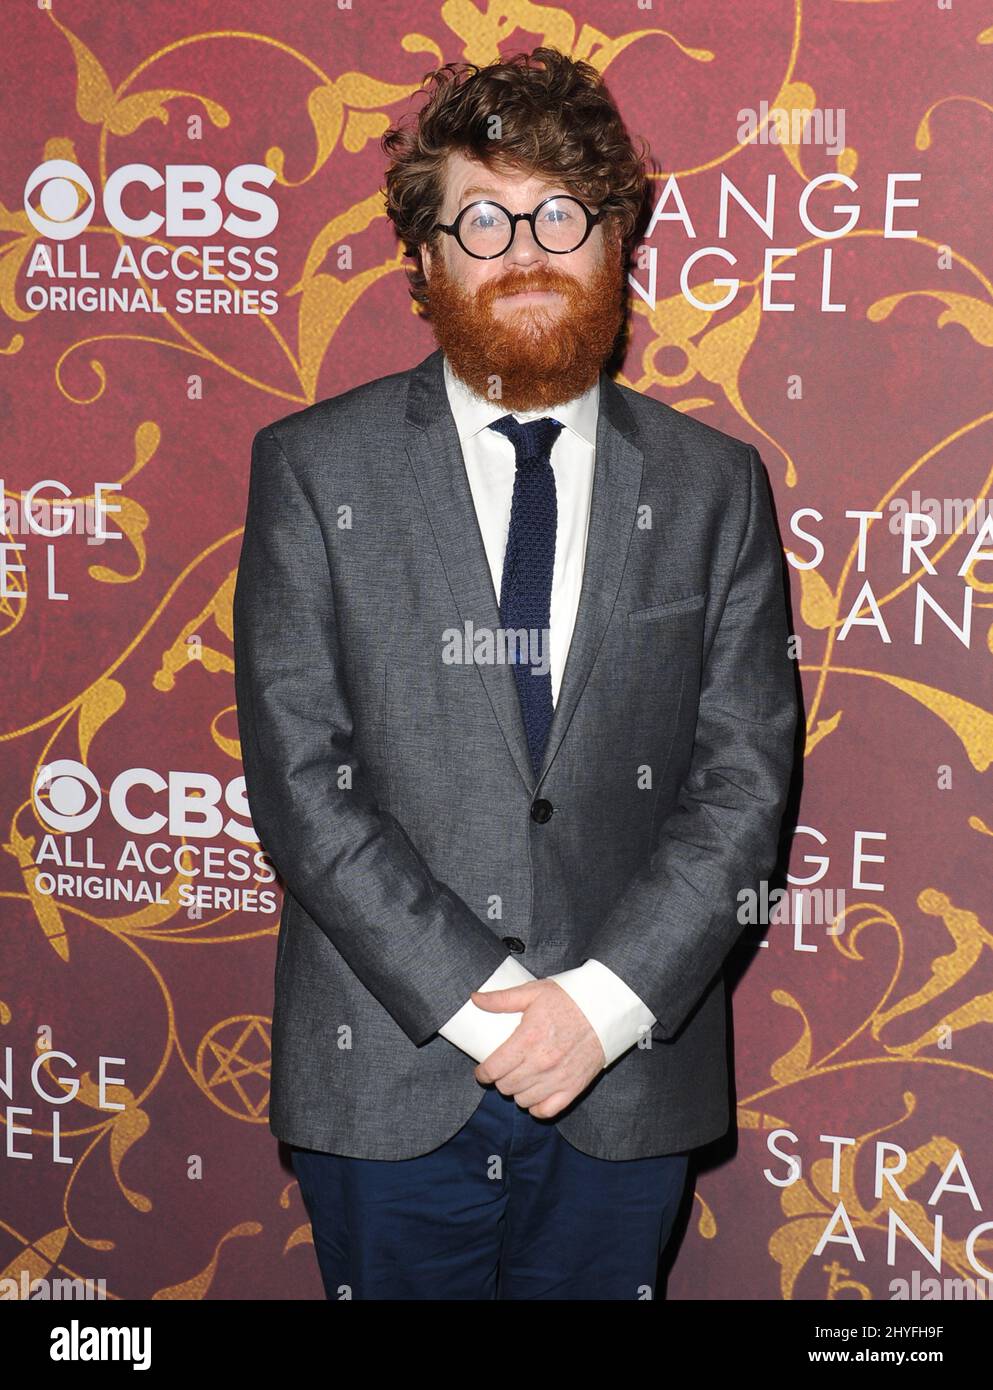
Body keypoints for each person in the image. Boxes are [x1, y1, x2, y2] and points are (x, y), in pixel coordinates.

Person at [232, 46, 798, 1300]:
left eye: (562, 214)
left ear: (617, 245)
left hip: (627, 1073)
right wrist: (489, 1001)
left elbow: (744, 780)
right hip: (387, 1064)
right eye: (481, 218)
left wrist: (598, 1008)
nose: (526, 248)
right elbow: (300, 778)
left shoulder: (714, 488)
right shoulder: (316, 471)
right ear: (423, 261)